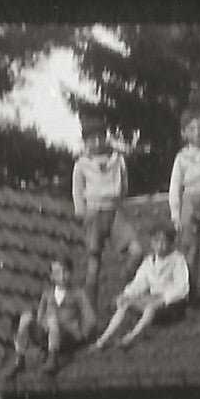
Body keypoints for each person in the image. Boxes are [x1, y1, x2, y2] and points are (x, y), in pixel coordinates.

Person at [71, 119, 143, 309]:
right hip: (94, 212)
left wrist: (119, 202)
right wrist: (82, 213)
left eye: (100, 137)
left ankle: (123, 286)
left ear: (106, 138)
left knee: (136, 250)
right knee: (94, 263)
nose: (96, 143)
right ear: (85, 142)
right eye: (91, 139)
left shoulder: (117, 160)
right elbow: (77, 191)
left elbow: (124, 185)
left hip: (114, 210)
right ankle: (91, 310)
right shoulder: (82, 164)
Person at [91, 221, 190, 349]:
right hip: (152, 298)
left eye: (164, 242)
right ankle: (103, 340)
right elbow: (139, 283)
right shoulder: (149, 262)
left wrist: (164, 298)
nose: (160, 246)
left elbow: (182, 288)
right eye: (157, 242)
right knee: (125, 303)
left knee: (151, 306)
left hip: (171, 304)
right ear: (152, 242)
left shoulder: (177, 259)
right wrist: (126, 294)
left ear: (171, 243)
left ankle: (130, 337)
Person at [12, 257, 96, 378]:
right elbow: (40, 318)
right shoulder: (47, 295)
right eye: (57, 273)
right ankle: (20, 357)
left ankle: (53, 359)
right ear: (51, 276)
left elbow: (90, 319)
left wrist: (82, 336)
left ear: (71, 274)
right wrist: (44, 328)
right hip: (48, 334)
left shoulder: (78, 294)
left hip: (67, 336)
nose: (61, 276)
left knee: (52, 318)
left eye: (65, 272)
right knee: (27, 317)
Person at [168, 108, 200, 293]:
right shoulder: (182, 158)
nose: (198, 132)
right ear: (184, 133)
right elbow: (175, 187)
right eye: (192, 128)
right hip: (189, 200)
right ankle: (190, 290)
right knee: (192, 249)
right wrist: (175, 213)